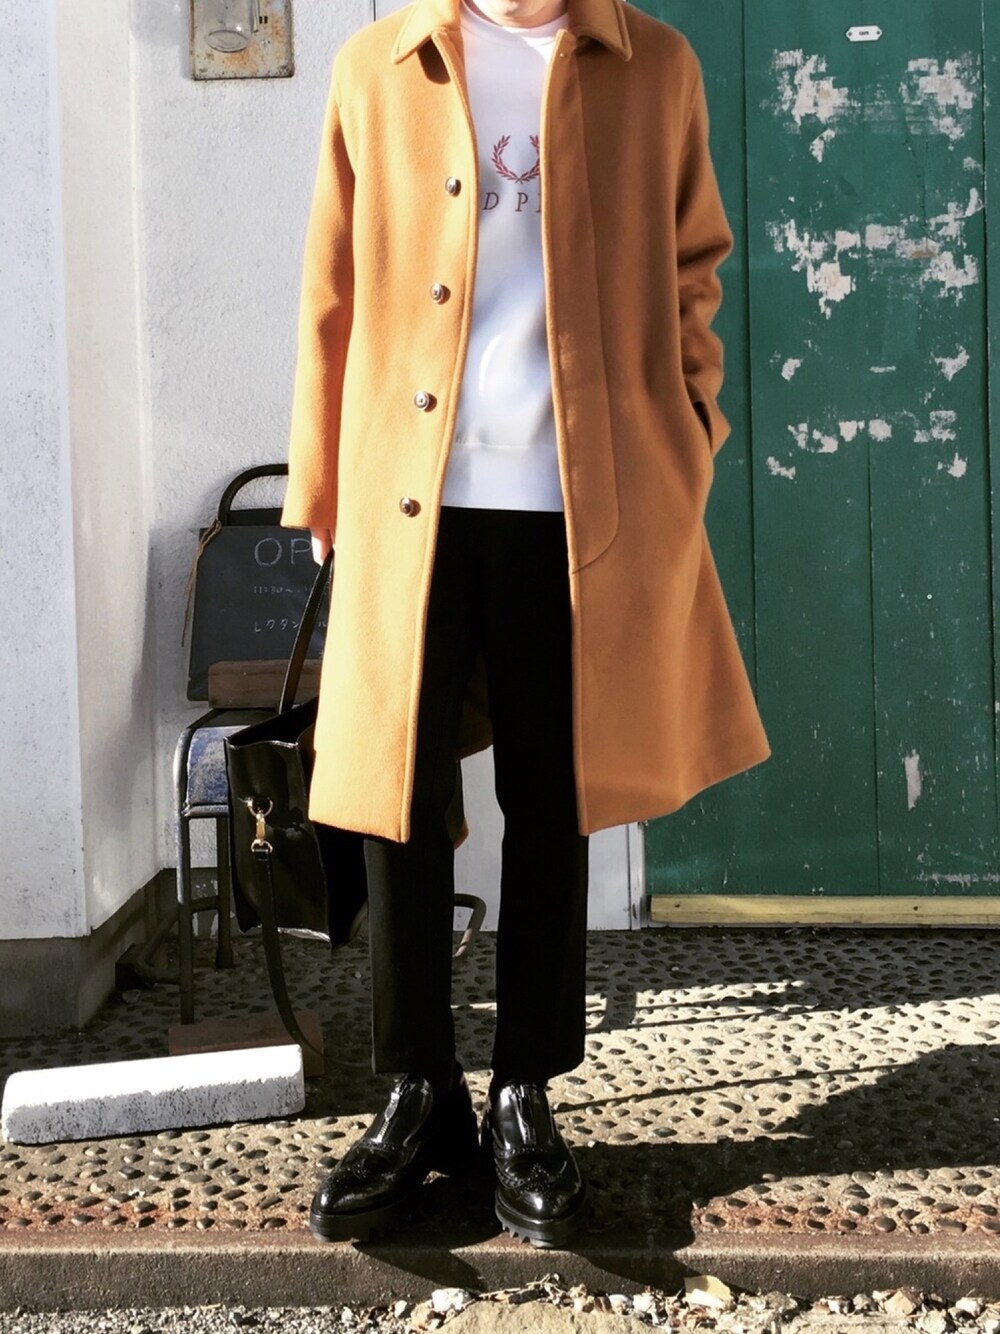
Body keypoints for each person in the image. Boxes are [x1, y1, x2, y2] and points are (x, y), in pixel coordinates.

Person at [281, 0, 771, 1251]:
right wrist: (319, 479)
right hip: (412, 494)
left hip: (579, 502)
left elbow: (695, 265)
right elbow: (332, 282)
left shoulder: (653, 66)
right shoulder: (378, 65)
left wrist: (689, 433)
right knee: (395, 795)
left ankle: (524, 1094)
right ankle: (416, 1091)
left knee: (554, 796)